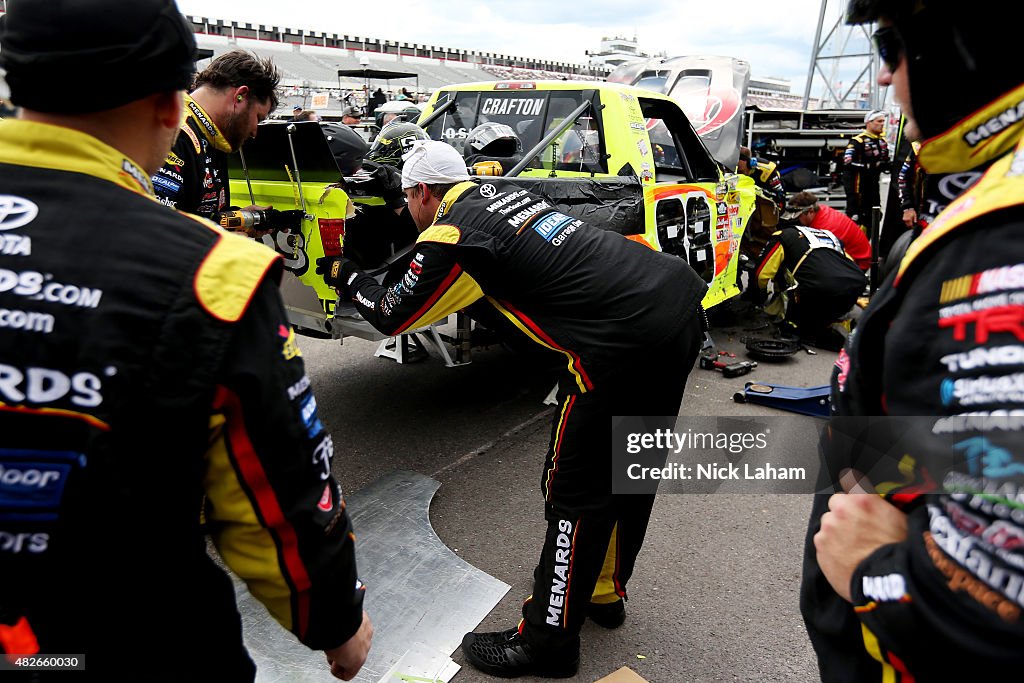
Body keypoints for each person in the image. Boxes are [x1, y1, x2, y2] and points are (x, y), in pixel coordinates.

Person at [0, 1, 372, 679]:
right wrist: (336, 620)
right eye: (258, 115)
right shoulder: (208, 267)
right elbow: (282, 482)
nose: (257, 128)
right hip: (131, 638)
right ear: (169, 104)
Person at [315, 140, 706, 678]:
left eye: (407, 200)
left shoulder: (451, 232)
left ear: (423, 192)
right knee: (630, 470)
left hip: (618, 347)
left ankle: (547, 642)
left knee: (575, 493)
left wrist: (346, 276)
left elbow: (390, 314)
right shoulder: (500, 191)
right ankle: (601, 593)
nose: (406, 212)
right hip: (675, 303)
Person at [802, 1, 1024, 680]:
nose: (882, 81)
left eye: (893, 51)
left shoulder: (994, 248)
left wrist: (878, 574)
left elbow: (1000, 587)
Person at [152, 49, 279, 218]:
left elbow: (195, 216)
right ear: (240, 96)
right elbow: (159, 226)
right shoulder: (174, 131)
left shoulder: (212, 136)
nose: (255, 131)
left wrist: (238, 218)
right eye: (258, 117)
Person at [784, 191, 872, 270]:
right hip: (853, 255)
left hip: (858, 263)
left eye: (799, 216)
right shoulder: (821, 210)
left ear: (810, 211)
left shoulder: (824, 228)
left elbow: (822, 260)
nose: (797, 219)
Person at [842, 109, 890, 226]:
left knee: (876, 216)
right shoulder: (857, 141)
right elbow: (847, 162)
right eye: (879, 121)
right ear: (869, 122)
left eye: (883, 121)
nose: (882, 124)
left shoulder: (882, 142)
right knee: (856, 218)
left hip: (874, 186)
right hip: (858, 187)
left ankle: (870, 243)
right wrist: (867, 166)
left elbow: (884, 162)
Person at [738, 145, 786, 210]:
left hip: (766, 200)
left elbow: (780, 195)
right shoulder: (732, 168)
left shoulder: (767, 169)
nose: (737, 169)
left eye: (740, 170)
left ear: (749, 162)